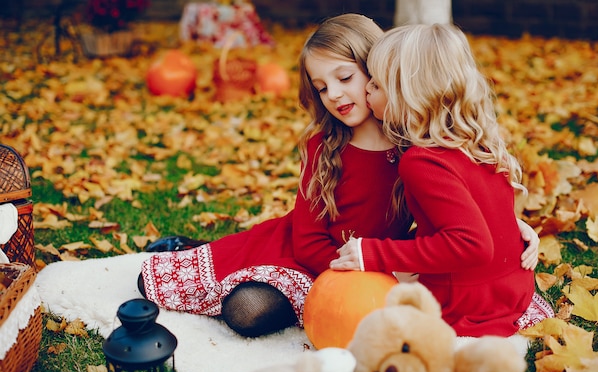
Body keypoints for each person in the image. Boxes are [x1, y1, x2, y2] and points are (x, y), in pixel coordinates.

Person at [139, 15, 540, 339]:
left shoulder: (416, 146)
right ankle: (193, 250)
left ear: (380, 73)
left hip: (370, 267)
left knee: (256, 312)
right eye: (321, 86)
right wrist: (360, 267)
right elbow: (308, 239)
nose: (333, 94)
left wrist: (512, 223)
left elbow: (457, 211)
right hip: (308, 256)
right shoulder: (324, 149)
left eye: (345, 79)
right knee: (235, 308)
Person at [330, 23, 554, 338]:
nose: (367, 90)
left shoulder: (421, 162)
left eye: (376, 85)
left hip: (469, 304)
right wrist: (513, 225)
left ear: (406, 95)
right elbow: (482, 210)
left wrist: (372, 253)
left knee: (367, 305)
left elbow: (470, 245)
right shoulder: (473, 140)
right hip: (512, 289)